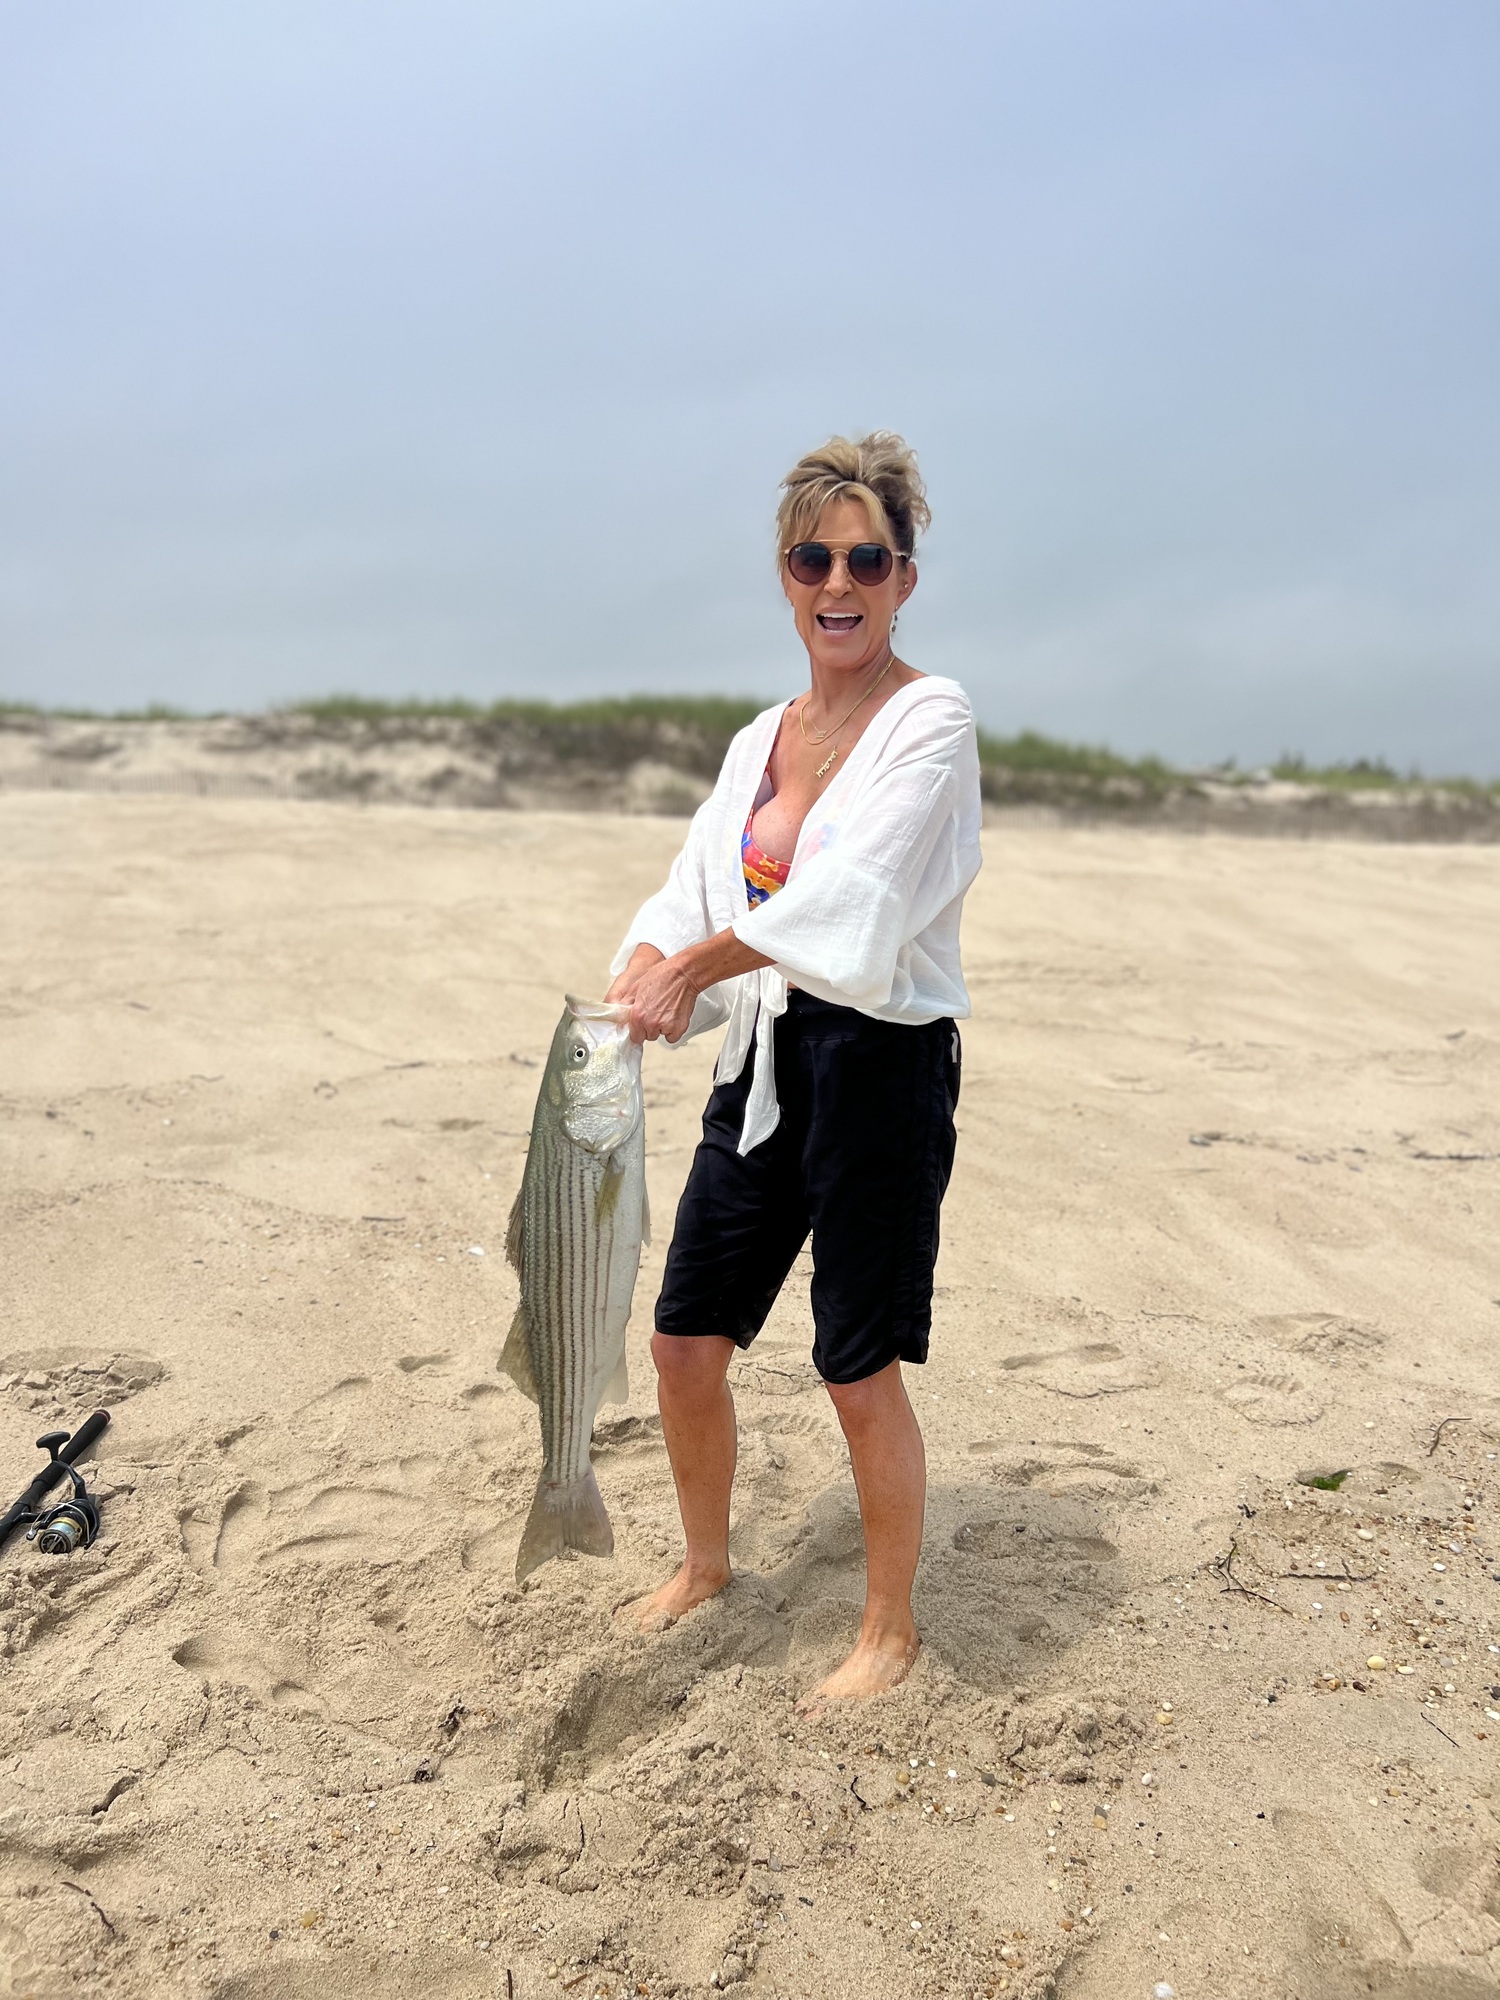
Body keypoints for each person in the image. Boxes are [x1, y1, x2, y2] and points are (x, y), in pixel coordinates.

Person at [606, 432, 982, 1702]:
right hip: (768, 1052)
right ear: (784, 573)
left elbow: (853, 897)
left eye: (866, 557)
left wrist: (694, 968)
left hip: (880, 1059)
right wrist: (646, 965)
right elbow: (700, 880)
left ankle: (889, 1628)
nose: (840, 580)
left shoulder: (931, 716)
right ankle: (707, 1564)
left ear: (904, 576)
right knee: (682, 1340)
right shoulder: (761, 734)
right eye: (814, 556)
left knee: (853, 1365)